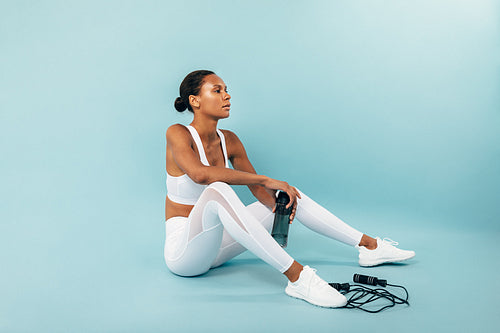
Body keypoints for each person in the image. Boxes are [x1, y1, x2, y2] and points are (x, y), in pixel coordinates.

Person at [164, 70, 415, 308]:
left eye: (226, 90)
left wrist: (280, 208)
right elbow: (199, 174)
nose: (227, 96)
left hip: (217, 248)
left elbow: (258, 190)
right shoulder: (178, 133)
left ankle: (368, 246)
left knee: (288, 196)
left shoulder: (229, 139)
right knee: (218, 190)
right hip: (185, 254)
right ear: (195, 101)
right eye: (217, 90)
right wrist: (265, 179)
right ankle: (299, 279)